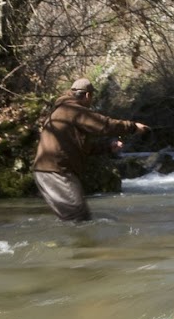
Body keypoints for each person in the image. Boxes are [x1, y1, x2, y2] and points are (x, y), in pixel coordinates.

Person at [32, 77, 149, 222]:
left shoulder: (62, 110)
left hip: (47, 172)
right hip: (57, 172)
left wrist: (107, 148)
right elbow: (104, 124)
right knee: (79, 218)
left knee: (73, 219)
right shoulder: (73, 110)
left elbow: (82, 147)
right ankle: (79, 245)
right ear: (88, 95)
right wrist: (133, 127)